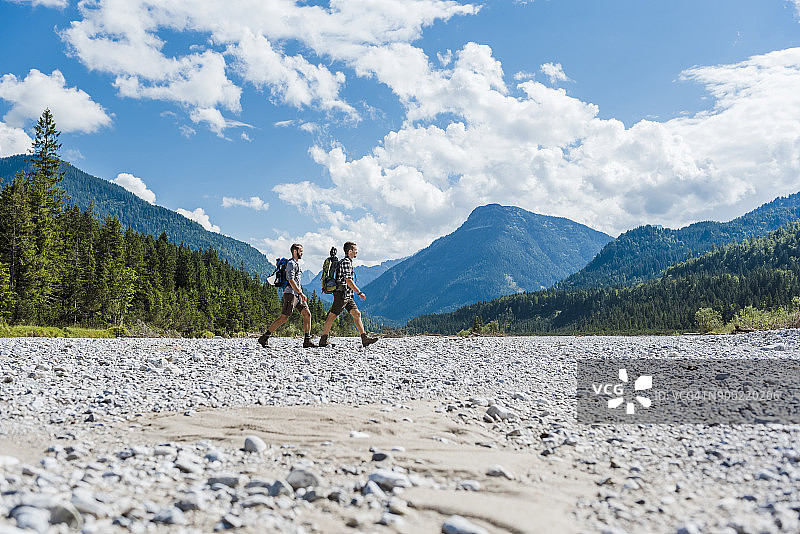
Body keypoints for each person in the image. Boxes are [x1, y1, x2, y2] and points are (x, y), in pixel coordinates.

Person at [319, 241, 378, 348]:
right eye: (355, 250)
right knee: (332, 316)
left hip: (347, 295)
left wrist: (352, 294)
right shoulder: (346, 262)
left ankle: (364, 338)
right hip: (341, 294)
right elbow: (348, 280)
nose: (357, 252)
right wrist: (359, 292)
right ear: (350, 251)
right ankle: (323, 339)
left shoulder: (348, 262)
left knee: (357, 314)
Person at [258, 243, 314, 348]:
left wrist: (300, 293)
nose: (302, 253)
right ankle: (264, 337)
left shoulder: (297, 264)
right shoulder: (291, 264)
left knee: (307, 314)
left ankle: (307, 340)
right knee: (284, 318)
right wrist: (300, 293)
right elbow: (290, 280)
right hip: (290, 294)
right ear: (294, 251)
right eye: (300, 251)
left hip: (297, 295)